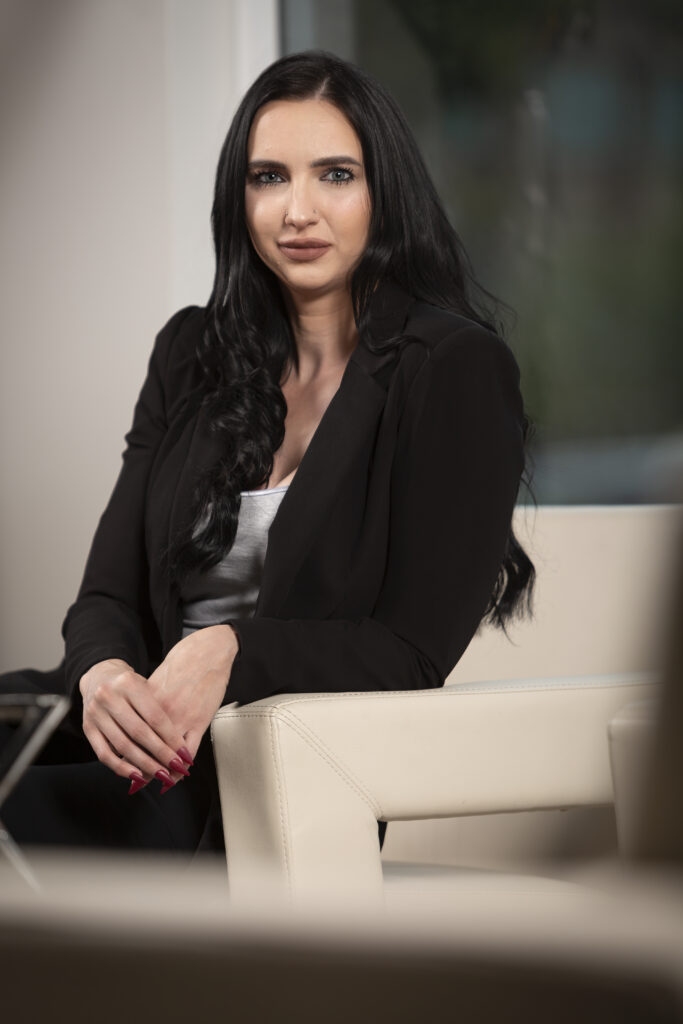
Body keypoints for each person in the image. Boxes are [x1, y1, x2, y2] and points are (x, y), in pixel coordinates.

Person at [0, 50, 534, 856]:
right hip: (130, 727)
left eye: (335, 175)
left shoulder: (452, 366)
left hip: (265, 767)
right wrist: (101, 674)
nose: (297, 211)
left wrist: (230, 650)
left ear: (385, 191)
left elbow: (411, 652)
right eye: (268, 178)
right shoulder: (190, 351)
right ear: (239, 197)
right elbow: (106, 595)